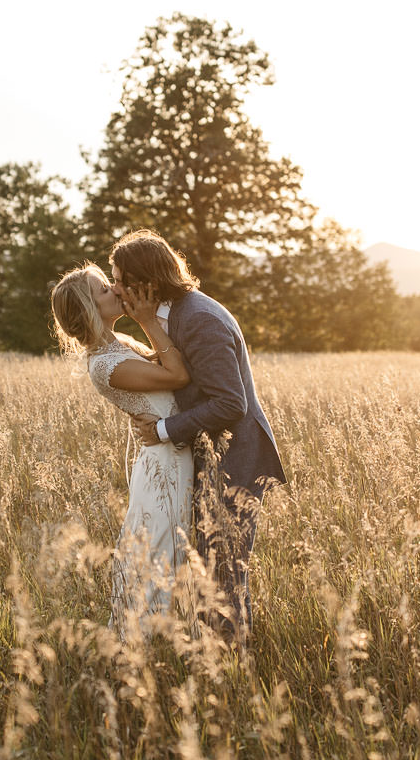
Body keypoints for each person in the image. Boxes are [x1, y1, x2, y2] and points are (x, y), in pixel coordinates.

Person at [109, 229, 284, 641]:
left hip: (235, 461)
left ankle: (231, 669)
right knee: (208, 568)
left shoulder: (200, 320)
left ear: (145, 284)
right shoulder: (171, 316)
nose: (115, 289)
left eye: (118, 279)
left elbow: (230, 404)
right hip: (211, 456)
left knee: (222, 572)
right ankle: (218, 660)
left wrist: (162, 430)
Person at [49, 263, 195, 624]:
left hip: (172, 452)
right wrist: (147, 320)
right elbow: (176, 375)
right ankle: (138, 650)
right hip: (165, 465)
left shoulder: (121, 345)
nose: (116, 290)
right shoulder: (104, 365)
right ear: (88, 310)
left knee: (174, 555)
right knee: (155, 560)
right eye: (103, 290)